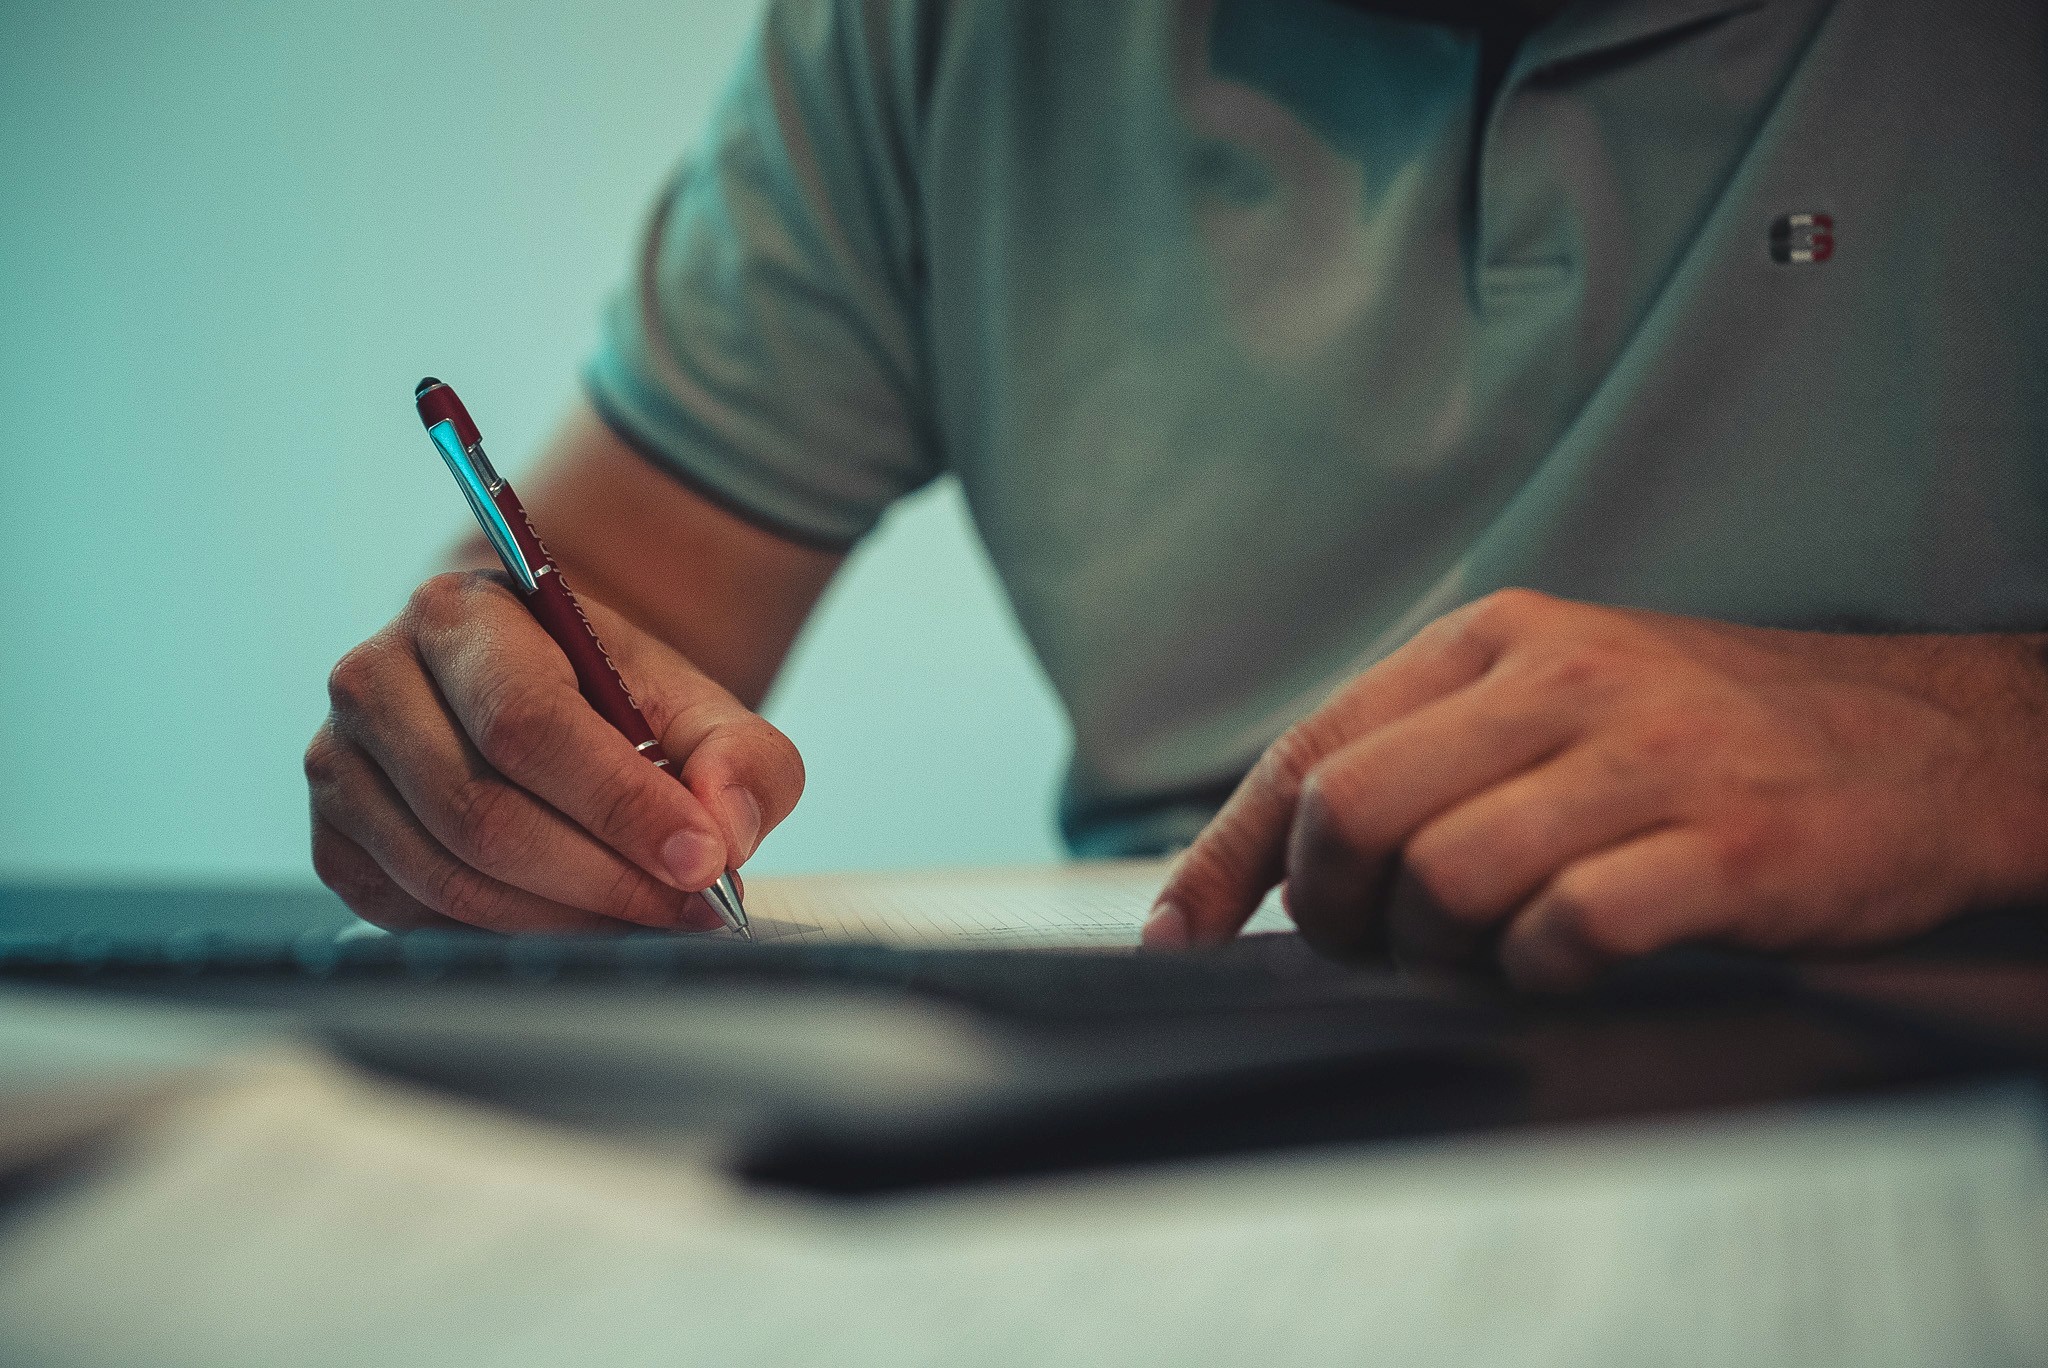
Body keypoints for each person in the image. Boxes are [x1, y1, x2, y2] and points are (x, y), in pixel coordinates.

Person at [305, 0, 2048, 988]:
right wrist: (479, 738)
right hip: (1193, 1078)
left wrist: (1990, 745)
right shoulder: (928, 37)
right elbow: (595, 610)